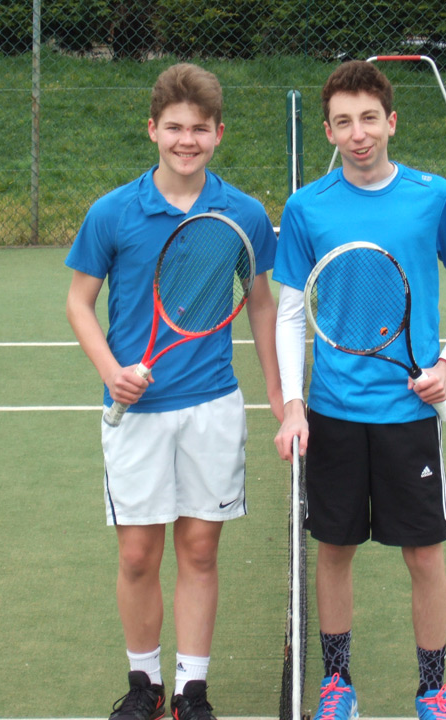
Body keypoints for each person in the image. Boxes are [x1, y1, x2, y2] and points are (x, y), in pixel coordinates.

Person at [65, 63, 283, 720]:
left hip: (212, 404)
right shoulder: (113, 212)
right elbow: (79, 302)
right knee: (138, 552)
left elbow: (261, 304)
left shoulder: (243, 213)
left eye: (199, 129)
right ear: (152, 130)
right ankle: (143, 685)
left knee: (199, 547)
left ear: (218, 133)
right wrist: (110, 370)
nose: (186, 141)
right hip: (137, 411)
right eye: (174, 128)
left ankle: (191, 689)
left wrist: (278, 394)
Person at [272, 60, 446, 720]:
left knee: (423, 555)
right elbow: (288, 310)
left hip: (407, 412)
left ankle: (433, 689)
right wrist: (292, 404)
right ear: (330, 133)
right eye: (343, 122)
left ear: (390, 122)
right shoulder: (307, 206)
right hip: (333, 412)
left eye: (369, 118)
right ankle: (337, 684)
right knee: (333, 550)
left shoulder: (433, 195)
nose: (358, 133)